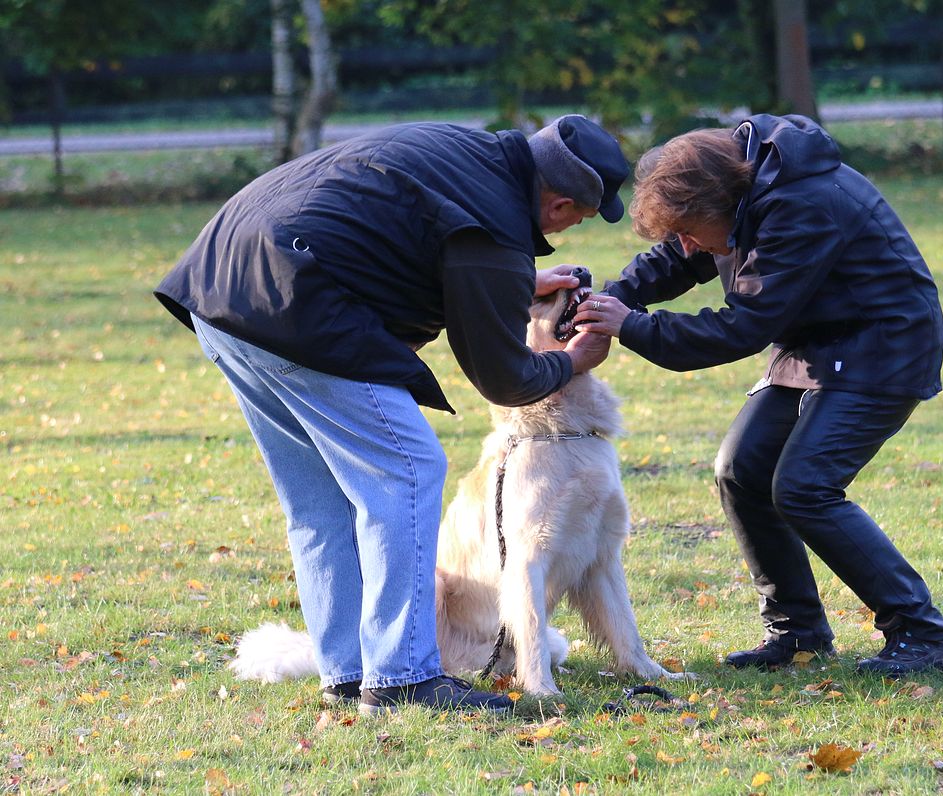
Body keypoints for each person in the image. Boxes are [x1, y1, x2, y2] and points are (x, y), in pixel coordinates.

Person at [155, 114, 629, 713]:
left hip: (220, 283)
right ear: (560, 205)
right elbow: (505, 378)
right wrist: (571, 361)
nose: (566, 229)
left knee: (321, 502)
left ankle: (348, 671)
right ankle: (403, 676)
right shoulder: (495, 225)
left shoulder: (465, 152)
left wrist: (510, 281)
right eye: (577, 219)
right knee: (408, 468)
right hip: (298, 302)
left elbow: (400, 237)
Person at [573, 114, 943, 676]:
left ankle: (922, 634)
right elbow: (680, 256)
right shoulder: (733, 193)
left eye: (690, 230)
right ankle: (796, 632)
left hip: (886, 345)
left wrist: (631, 325)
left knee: (805, 487)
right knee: (741, 470)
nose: (687, 244)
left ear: (725, 204)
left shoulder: (802, 205)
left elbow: (744, 327)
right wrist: (612, 298)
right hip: (817, 341)